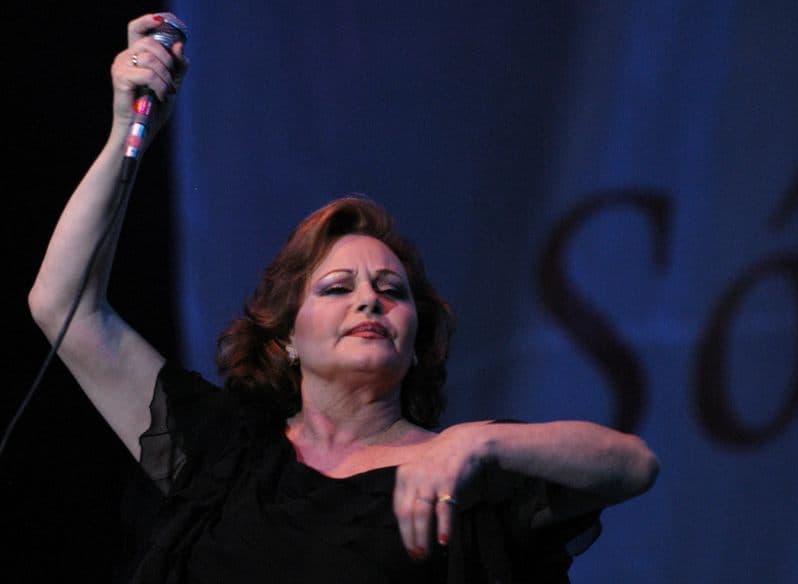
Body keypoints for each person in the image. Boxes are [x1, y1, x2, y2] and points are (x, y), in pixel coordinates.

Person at [28, 12, 659, 584]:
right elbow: (64, 306)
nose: (369, 302)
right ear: (286, 340)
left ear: (417, 343)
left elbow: (632, 465)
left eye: (392, 291)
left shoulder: (457, 473)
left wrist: (477, 442)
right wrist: (123, 134)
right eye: (337, 287)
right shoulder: (219, 453)